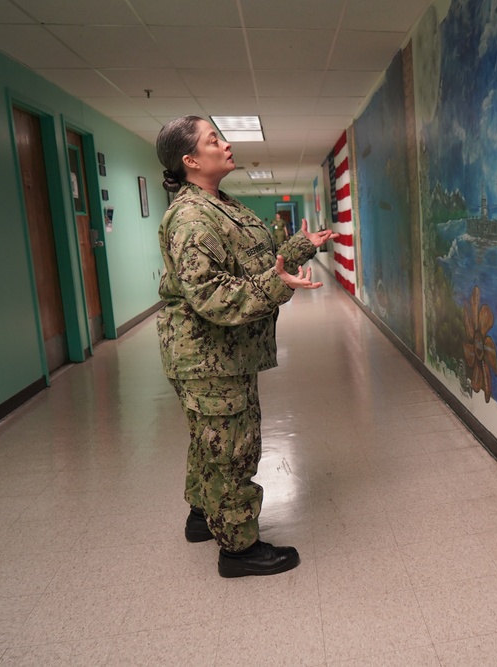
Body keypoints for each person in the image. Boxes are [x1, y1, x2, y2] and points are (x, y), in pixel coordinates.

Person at [155, 115, 333, 578]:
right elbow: (212, 294)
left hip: (221, 354)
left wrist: (296, 249)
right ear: (190, 160)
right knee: (231, 448)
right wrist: (278, 284)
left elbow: (254, 261)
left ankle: (202, 517)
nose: (226, 143)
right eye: (214, 139)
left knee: (208, 440)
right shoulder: (192, 217)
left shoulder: (217, 204)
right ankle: (238, 549)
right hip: (207, 356)